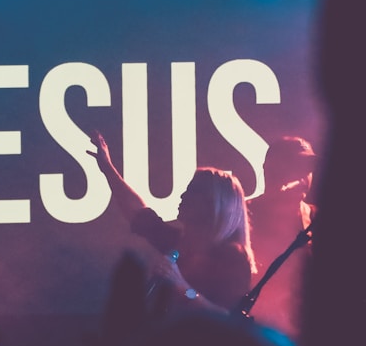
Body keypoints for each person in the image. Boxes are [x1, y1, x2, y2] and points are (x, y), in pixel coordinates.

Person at [88, 132, 256, 315]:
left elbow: (228, 317)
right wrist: (107, 167)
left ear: (212, 205)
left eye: (192, 192)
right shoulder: (181, 243)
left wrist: (182, 287)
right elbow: (138, 213)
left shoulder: (233, 258)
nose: (183, 196)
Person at [245, 135, 317, 338]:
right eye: (296, 165)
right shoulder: (243, 213)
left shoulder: (317, 218)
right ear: (271, 170)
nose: (304, 174)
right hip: (257, 333)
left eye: (307, 168)